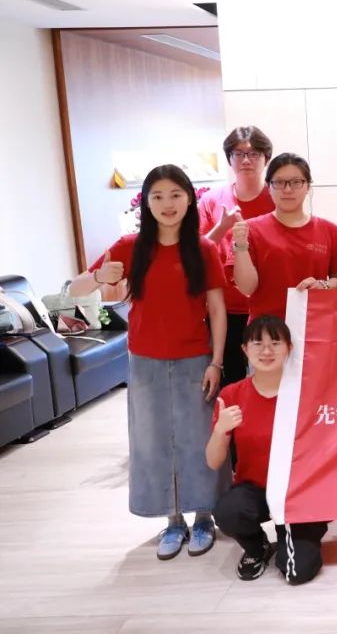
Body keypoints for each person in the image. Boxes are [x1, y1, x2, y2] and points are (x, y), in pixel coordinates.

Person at [69, 164, 229, 560]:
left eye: (175, 195)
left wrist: (216, 362)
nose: (167, 204)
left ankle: (204, 517)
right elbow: (75, 288)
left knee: (198, 438)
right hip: (145, 362)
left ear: (189, 200)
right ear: (146, 203)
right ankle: (173, 521)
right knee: (154, 441)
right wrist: (100, 277)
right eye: (157, 196)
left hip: (195, 358)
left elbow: (217, 309)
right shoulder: (129, 246)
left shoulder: (203, 249)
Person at [207, 316, 329, 585]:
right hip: (256, 490)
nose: (266, 351)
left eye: (275, 343)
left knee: (296, 572)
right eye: (257, 344)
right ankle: (256, 546)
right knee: (228, 511)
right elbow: (213, 461)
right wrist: (220, 430)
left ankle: (293, 536)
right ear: (244, 350)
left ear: (289, 348)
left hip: (298, 493)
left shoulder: (307, 393)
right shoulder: (232, 395)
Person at [199, 126, 276, 387]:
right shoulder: (212, 200)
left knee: (268, 381)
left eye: (253, 154)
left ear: (266, 158)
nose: (245, 160)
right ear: (229, 159)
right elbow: (196, 252)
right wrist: (222, 227)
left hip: (267, 306)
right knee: (229, 383)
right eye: (238, 154)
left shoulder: (278, 198)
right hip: (224, 308)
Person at [232, 154, 337, 321]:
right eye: (279, 182)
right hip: (267, 330)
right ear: (269, 187)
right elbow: (247, 288)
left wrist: (324, 285)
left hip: (314, 325)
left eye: (296, 182)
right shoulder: (249, 230)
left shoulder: (330, 231)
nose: (287, 190)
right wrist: (241, 246)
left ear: (307, 186)